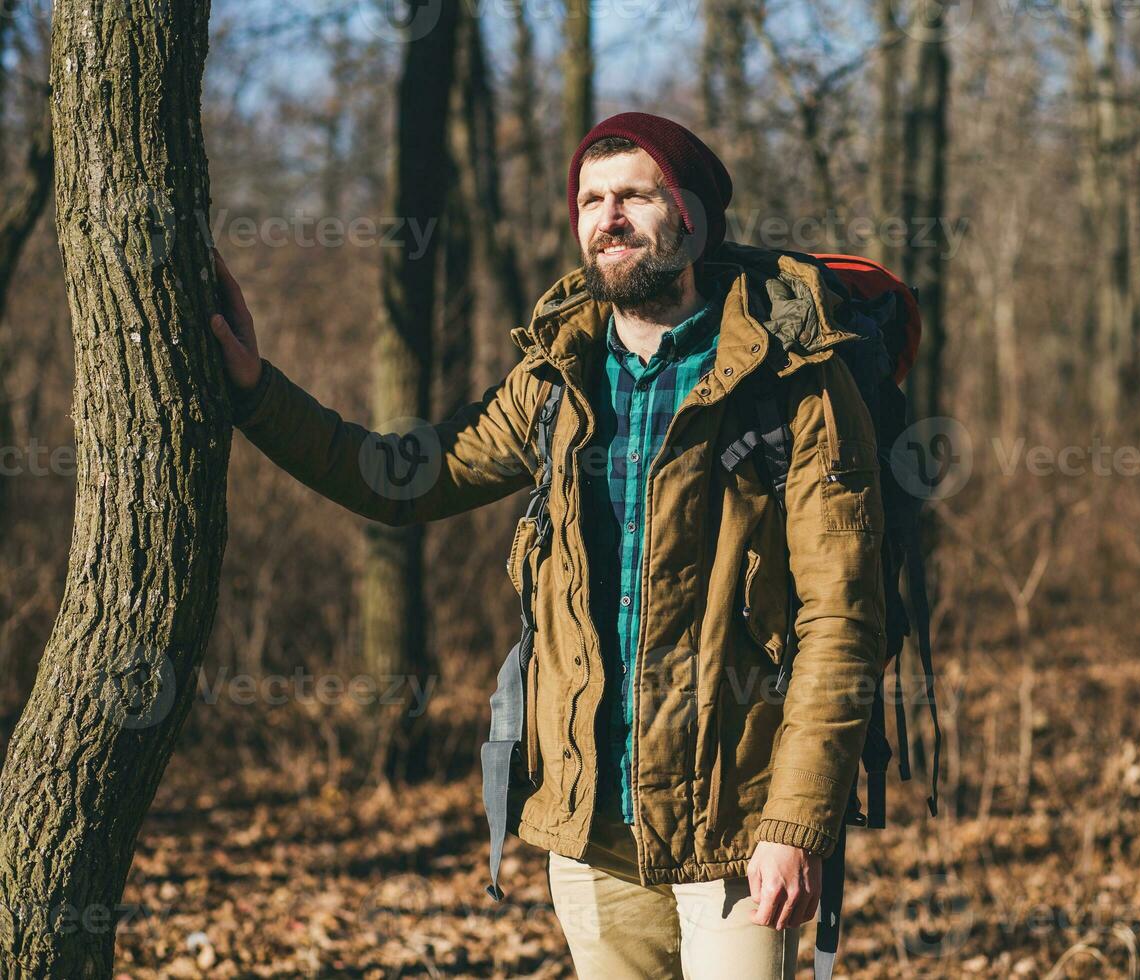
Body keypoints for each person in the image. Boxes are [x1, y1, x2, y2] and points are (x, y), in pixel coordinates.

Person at [210, 111, 885, 980]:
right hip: (587, 824)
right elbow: (399, 478)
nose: (608, 217)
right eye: (591, 199)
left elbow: (841, 619)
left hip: (739, 824)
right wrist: (257, 392)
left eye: (636, 196)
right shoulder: (556, 378)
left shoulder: (793, 379)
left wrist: (796, 825)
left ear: (690, 218)